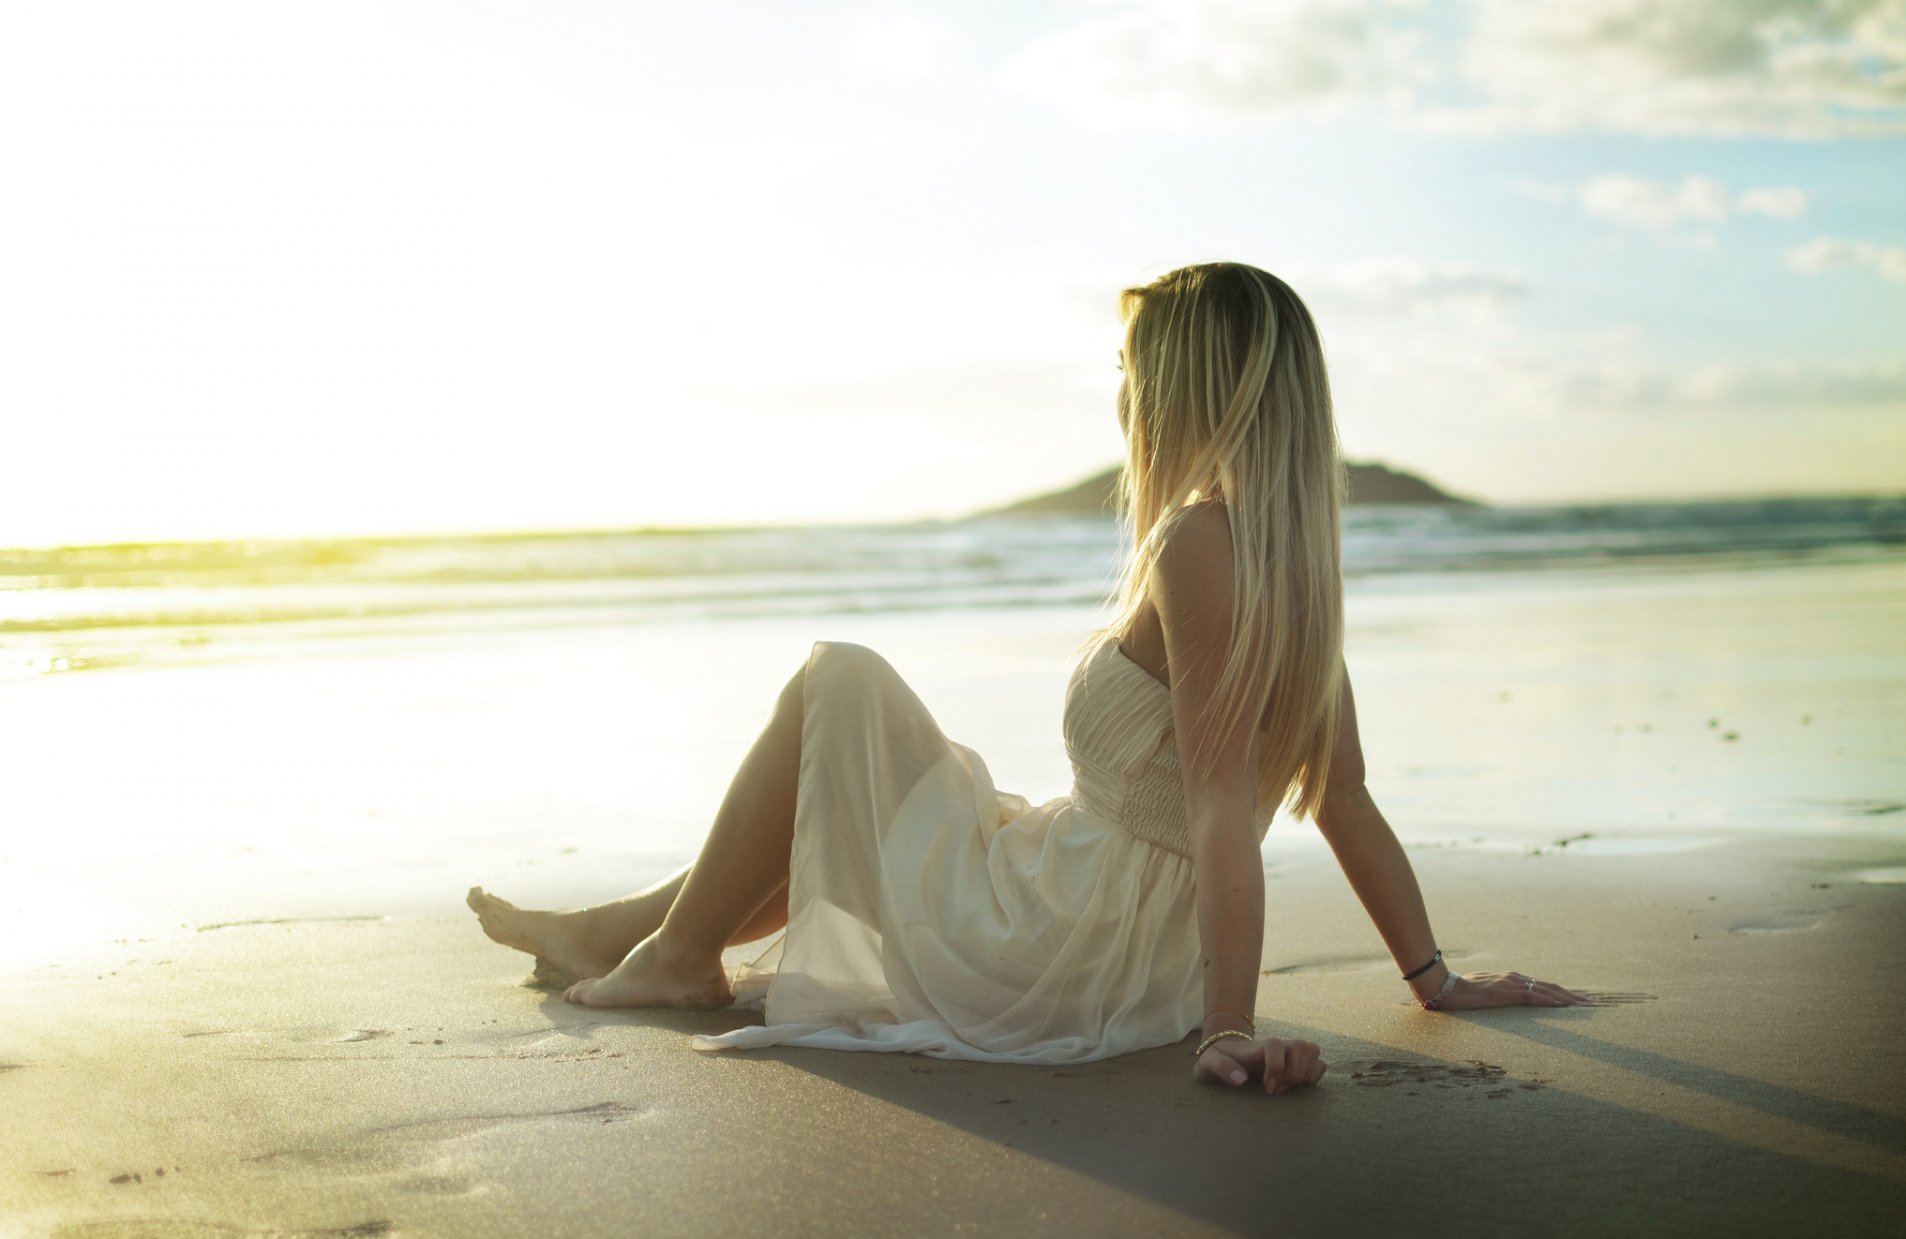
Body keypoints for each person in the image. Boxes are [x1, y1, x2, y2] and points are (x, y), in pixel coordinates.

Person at [467, 260, 1589, 1096]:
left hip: (1067, 943)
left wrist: (1227, 1027)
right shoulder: (1295, 570)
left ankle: (670, 954)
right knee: (901, 786)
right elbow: (1341, 798)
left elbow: (1217, 805)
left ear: (1183, 384)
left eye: (1129, 369)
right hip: (1129, 948)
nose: (1121, 393)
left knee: (838, 682)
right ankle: (618, 932)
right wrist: (1433, 978)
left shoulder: (1200, 543)